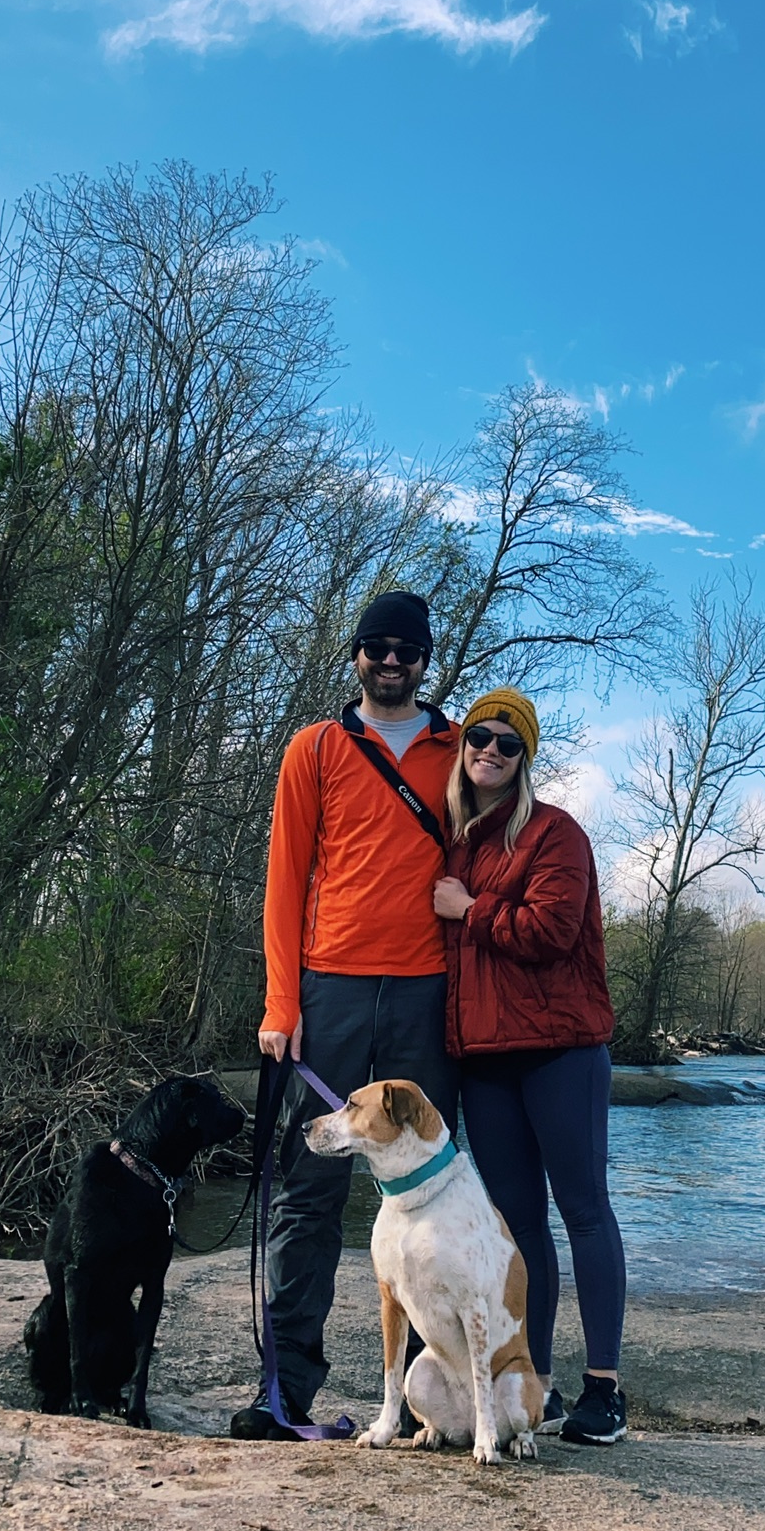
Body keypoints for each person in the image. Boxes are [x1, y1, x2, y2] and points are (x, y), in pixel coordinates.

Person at [231, 589, 460, 1439]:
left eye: (406, 648)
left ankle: (429, 1401)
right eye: (377, 646)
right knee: (309, 1192)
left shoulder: (459, 748)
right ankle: (284, 1390)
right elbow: (286, 879)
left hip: (426, 995)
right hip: (327, 992)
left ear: (424, 658)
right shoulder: (314, 749)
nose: (391, 660)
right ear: (355, 655)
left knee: (427, 1198)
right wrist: (279, 1002)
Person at [432, 688, 628, 1446]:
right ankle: (533, 1384)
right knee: (517, 1229)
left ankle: (604, 1393)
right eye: (478, 737)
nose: (489, 750)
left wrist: (468, 909)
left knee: (583, 1210)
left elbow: (550, 931)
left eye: (507, 743)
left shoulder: (555, 833)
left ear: (525, 758)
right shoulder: (453, 840)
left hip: (561, 1054)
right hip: (484, 1062)